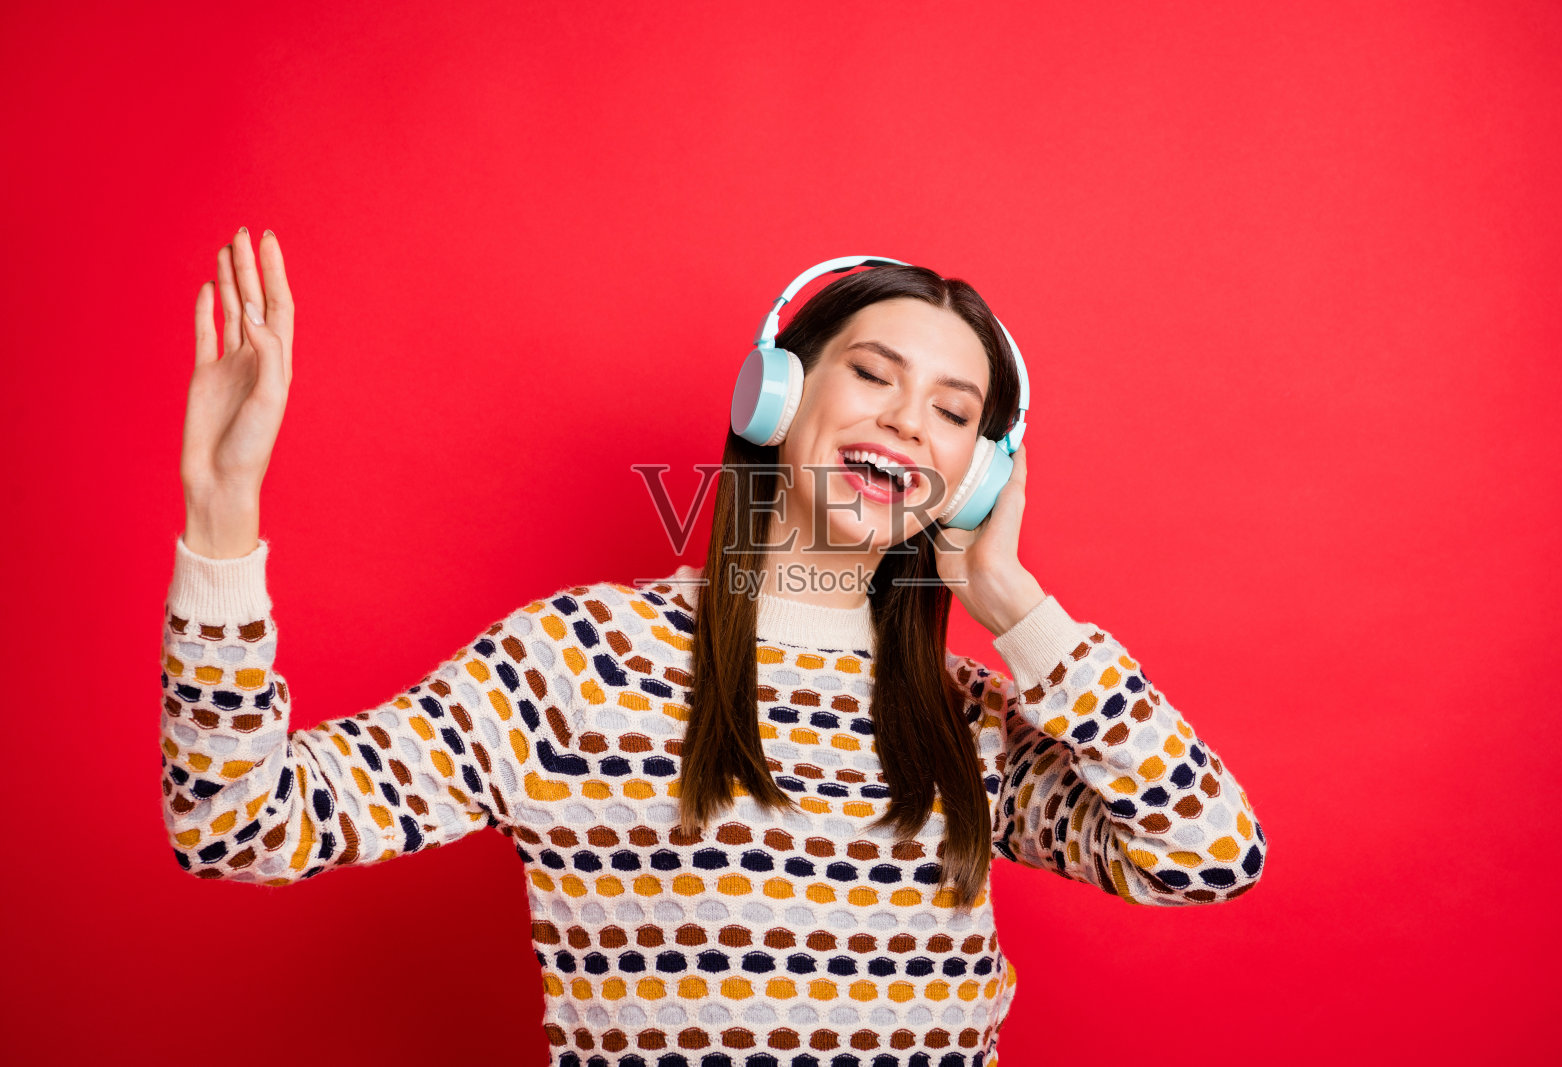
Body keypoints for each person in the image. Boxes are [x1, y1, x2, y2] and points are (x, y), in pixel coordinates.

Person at [162, 232, 1268, 1067]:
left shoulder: (962, 715)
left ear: (975, 476)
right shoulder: (583, 660)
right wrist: (221, 513)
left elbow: (1208, 853)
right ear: (775, 396)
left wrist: (1014, 602)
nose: (905, 421)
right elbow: (236, 824)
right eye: (873, 374)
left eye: (952, 412)